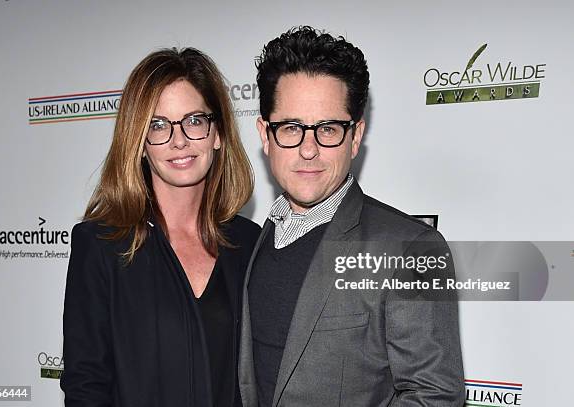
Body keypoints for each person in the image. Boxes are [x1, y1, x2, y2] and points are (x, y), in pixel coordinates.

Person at [238, 26, 465, 406]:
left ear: (355, 136)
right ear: (265, 135)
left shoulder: (409, 248)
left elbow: (434, 395)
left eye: (328, 129)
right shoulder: (250, 242)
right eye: (291, 128)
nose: (308, 149)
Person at [61, 48, 261, 407]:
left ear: (217, 133)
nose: (179, 139)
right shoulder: (102, 245)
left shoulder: (249, 244)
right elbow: (86, 388)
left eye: (194, 120)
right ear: (139, 144)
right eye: (158, 125)